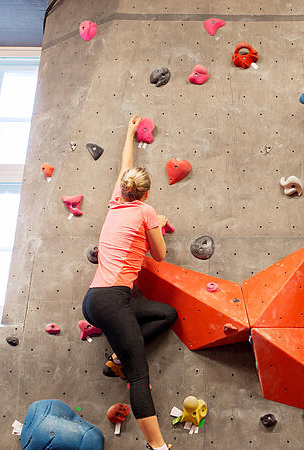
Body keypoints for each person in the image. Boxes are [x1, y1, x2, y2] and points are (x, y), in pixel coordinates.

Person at [82, 114, 177, 450]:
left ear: (124, 189)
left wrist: (129, 132)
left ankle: (119, 359)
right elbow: (161, 255)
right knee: (140, 376)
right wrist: (159, 225)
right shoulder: (146, 212)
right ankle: (159, 447)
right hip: (112, 302)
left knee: (166, 314)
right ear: (147, 193)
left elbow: (125, 165)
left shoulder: (115, 203)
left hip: (98, 300)